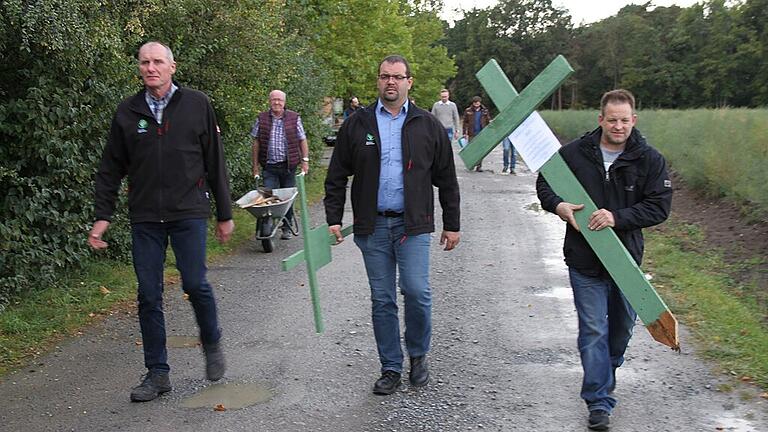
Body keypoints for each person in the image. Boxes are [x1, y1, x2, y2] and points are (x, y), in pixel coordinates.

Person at [89, 41, 234, 402]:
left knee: (195, 283)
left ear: (172, 67)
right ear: (139, 68)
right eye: (144, 62)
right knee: (148, 294)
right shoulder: (128, 111)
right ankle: (157, 373)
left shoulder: (197, 104)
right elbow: (110, 169)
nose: (151, 67)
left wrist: (224, 212)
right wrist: (102, 216)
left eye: (158, 62)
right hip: (146, 217)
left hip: (188, 211)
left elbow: (215, 160)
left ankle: (212, 339)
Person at [536, 89, 672, 431]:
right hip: (584, 260)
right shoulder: (575, 153)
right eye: (612, 119)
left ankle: (605, 370)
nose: (618, 126)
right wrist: (559, 205)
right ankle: (598, 401)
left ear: (634, 120)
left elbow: (659, 207)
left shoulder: (649, 160)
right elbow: (544, 182)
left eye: (625, 120)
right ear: (600, 119)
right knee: (593, 329)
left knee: (621, 330)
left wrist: (617, 217)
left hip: (625, 262)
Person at [324, 55, 461, 395]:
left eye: (398, 77)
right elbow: (337, 174)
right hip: (373, 227)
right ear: (377, 81)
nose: (391, 82)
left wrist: (452, 223)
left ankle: (418, 355)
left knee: (417, 291)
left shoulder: (427, 125)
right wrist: (333, 217)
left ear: (409, 82)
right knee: (382, 299)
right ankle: (390, 366)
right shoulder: (358, 123)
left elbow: (447, 178)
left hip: (412, 225)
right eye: (385, 76)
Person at [250, 89, 310, 240]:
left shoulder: (294, 118)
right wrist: (255, 166)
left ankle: (287, 226)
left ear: (284, 102)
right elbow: (256, 141)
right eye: (274, 99)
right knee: (268, 197)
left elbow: (302, 139)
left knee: (287, 199)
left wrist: (305, 161)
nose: (277, 102)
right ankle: (267, 224)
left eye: (280, 100)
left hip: (288, 166)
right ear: (269, 101)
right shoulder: (262, 118)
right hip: (269, 166)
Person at [462, 96, 491, 172]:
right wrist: (464, 133)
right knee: (471, 149)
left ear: (480, 102)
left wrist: (488, 132)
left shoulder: (485, 111)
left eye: (477, 103)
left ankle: (479, 166)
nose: (476, 104)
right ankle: (471, 164)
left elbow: (488, 121)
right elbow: (465, 122)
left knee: (480, 150)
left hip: (481, 132)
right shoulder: (468, 111)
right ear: (473, 103)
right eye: (475, 103)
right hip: (472, 132)